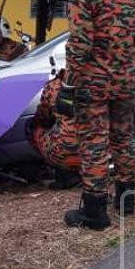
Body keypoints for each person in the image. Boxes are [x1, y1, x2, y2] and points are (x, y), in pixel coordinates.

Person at [59, 0, 135, 230]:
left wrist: (68, 87)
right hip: (126, 81)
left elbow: (79, 44)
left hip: (92, 85)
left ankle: (95, 212)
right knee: (124, 139)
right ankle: (126, 201)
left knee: (94, 144)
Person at [29, 50, 80, 189]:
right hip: (98, 150)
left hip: (67, 154)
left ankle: (64, 174)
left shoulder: (54, 86)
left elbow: (43, 117)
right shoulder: (96, 80)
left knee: (32, 127)